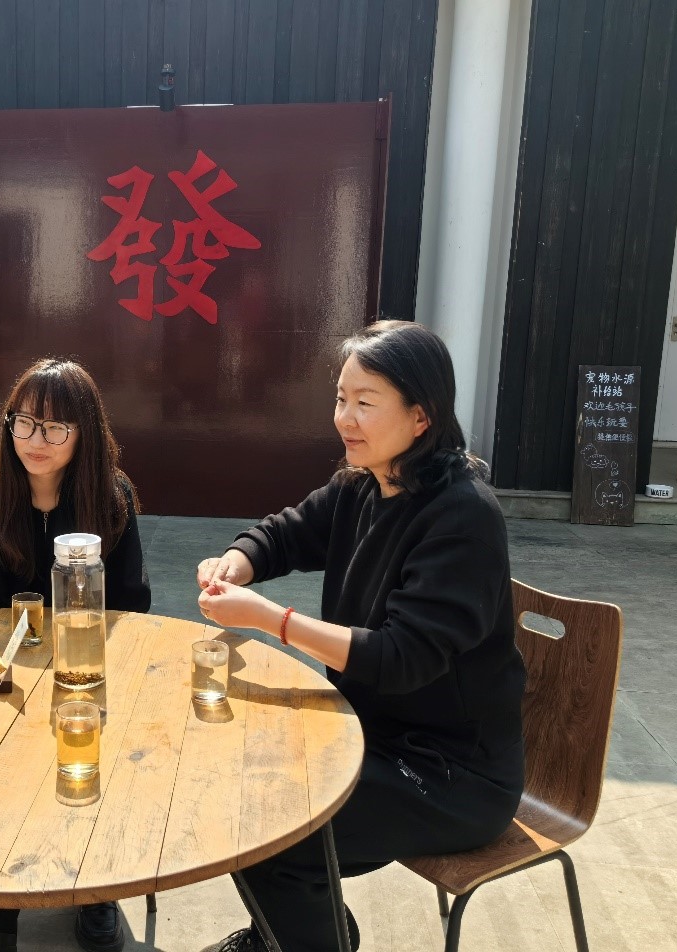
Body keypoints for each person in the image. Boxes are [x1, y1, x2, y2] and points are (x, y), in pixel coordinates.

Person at [194, 321, 525, 952]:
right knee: (234, 777)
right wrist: (237, 560)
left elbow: (401, 658)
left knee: (271, 828)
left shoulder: (463, 516)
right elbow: (287, 532)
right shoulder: (363, 482)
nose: (345, 418)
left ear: (421, 417)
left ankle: (301, 940)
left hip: (452, 775)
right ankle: (306, 935)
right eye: (341, 398)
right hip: (367, 733)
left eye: (365, 402)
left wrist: (270, 618)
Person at [0, 358, 150, 952]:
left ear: (85, 432)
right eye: (25, 422)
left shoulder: (111, 496)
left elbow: (132, 600)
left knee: (96, 751)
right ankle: (0, 903)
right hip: (6, 663)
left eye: (56, 427)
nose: (37, 440)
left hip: (87, 662)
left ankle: (96, 888)